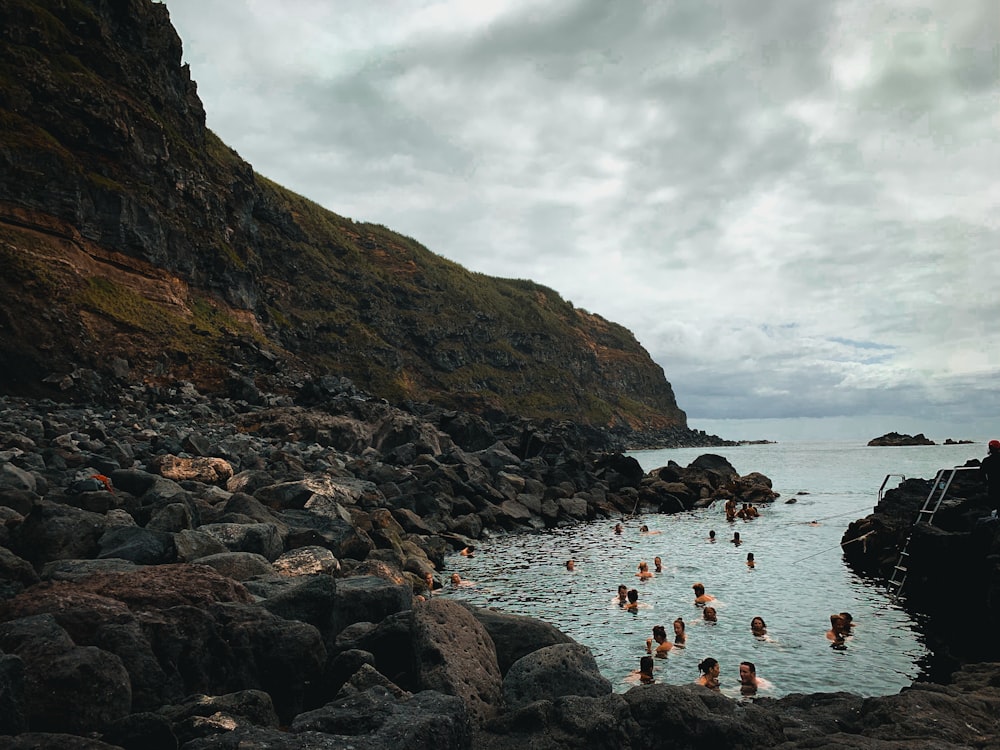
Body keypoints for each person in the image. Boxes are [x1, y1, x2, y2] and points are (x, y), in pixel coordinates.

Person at [981, 440, 1000, 516]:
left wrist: (986, 483)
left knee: (995, 505)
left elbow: (981, 474)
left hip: (993, 486)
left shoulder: (986, 460)